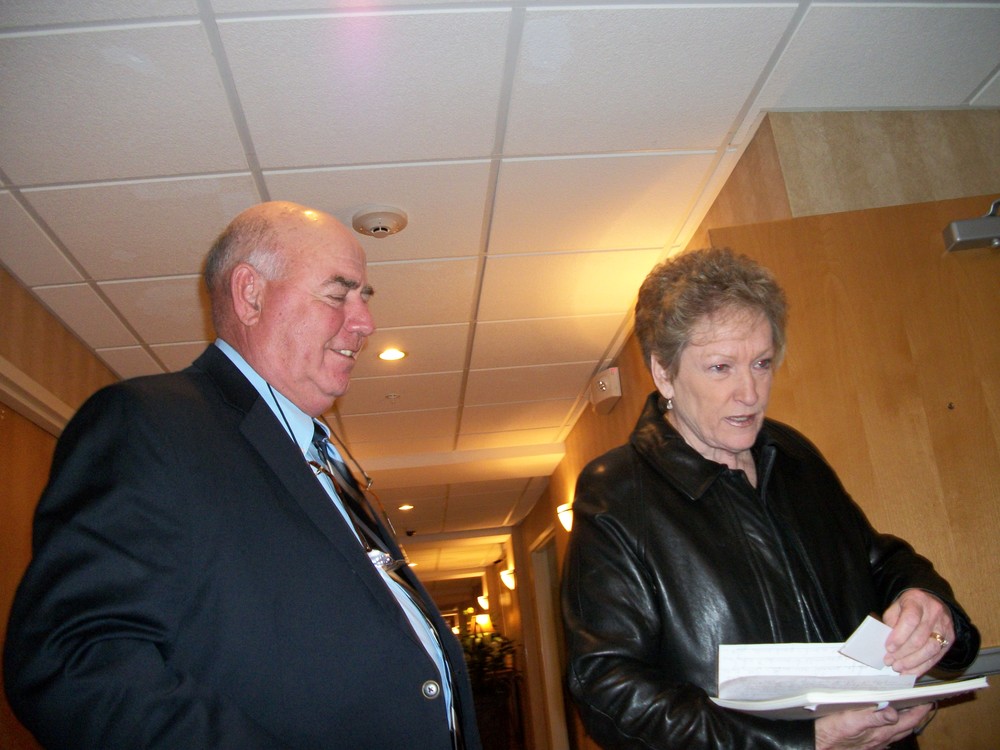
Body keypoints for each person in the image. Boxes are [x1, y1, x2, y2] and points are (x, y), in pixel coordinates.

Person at [4, 201, 482, 750]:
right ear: (251, 294)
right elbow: (76, 661)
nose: (365, 323)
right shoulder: (150, 424)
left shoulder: (326, 459)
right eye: (338, 294)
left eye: (365, 297)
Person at [560, 247, 980, 750]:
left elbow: (873, 559)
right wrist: (801, 742)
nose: (750, 393)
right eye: (721, 367)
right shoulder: (616, 492)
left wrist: (926, 601)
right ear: (664, 373)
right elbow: (609, 690)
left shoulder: (791, 452)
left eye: (761, 363)